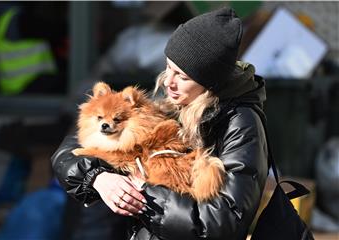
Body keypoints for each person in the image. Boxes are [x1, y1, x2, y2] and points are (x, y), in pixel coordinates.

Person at [51, 7, 268, 240]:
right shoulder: (172, 105)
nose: (168, 82)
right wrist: (98, 177)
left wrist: (143, 193)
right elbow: (68, 152)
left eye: (182, 76)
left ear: (209, 83)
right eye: (168, 68)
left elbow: (222, 222)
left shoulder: (241, 124)